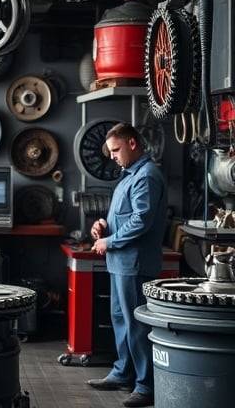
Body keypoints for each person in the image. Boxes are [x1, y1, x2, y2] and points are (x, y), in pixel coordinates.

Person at [87, 122, 168, 408]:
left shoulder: (146, 176)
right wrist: (103, 225)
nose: (112, 156)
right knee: (121, 320)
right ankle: (123, 373)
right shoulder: (129, 175)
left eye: (116, 150)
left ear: (132, 143)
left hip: (134, 264)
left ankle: (145, 386)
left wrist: (109, 242)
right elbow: (125, 216)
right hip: (120, 263)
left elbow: (141, 221)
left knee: (135, 325)